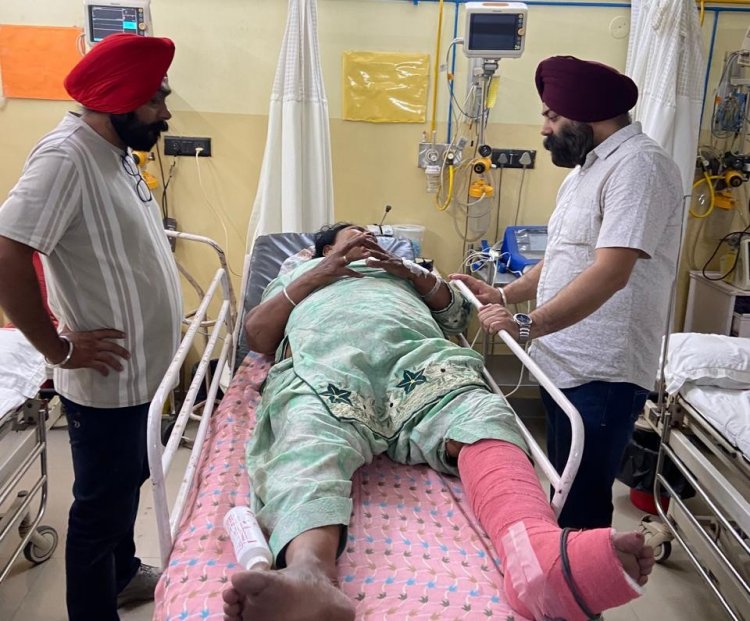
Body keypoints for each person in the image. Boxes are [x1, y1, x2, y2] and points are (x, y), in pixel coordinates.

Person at [221, 223, 655, 621]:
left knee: (483, 415)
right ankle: (310, 575)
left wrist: (412, 274)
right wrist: (320, 273)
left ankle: (535, 554)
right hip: (325, 368)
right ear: (324, 249)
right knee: (305, 438)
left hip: (419, 365)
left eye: (373, 236)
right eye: (355, 235)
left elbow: (458, 318)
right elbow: (258, 337)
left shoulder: (401, 274)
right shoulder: (301, 274)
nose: (368, 240)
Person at [454, 56, 684, 530]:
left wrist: (529, 323)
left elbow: (611, 273)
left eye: (552, 116)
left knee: (581, 504)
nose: (544, 128)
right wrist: (504, 296)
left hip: (604, 371)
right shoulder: (583, 173)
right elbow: (562, 256)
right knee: (561, 490)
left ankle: (583, 579)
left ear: (587, 115)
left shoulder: (640, 167)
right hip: (562, 360)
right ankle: (564, 565)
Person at [0, 34, 182, 621]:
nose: (164, 112)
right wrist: (56, 347)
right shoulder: (66, 157)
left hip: (139, 374)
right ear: (118, 100)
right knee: (100, 511)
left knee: (125, 487)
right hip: (106, 383)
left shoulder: (115, 151)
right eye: (155, 100)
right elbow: (7, 253)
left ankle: (123, 576)